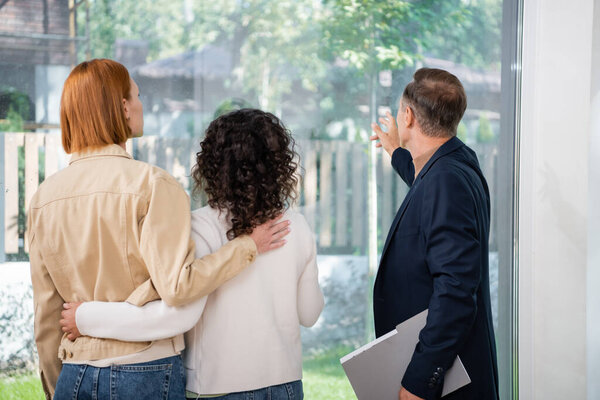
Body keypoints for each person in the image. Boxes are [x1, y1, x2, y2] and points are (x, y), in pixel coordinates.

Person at [27, 60, 289, 400]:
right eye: (137, 95)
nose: (140, 104)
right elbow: (178, 287)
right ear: (123, 108)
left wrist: (54, 386)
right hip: (143, 371)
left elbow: (46, 313)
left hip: (74, 374)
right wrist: (247, 246)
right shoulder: (153, 184)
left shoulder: (43, 198)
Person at [59, 108, 324, 400]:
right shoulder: (296, 225)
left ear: (213, 165)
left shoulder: (199, 225)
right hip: (286, 384)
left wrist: (86, 316)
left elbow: (177, 316)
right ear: (277, 164)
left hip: (219, 388)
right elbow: (309, 314)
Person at [370, 68, 499, 400]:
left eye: (400, 111)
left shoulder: (446, 180)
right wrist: (396, 152)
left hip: (448, 383)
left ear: (408, 116)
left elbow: (455, 290)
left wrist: (419, 381)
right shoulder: (455, 162)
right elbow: (425, 189)